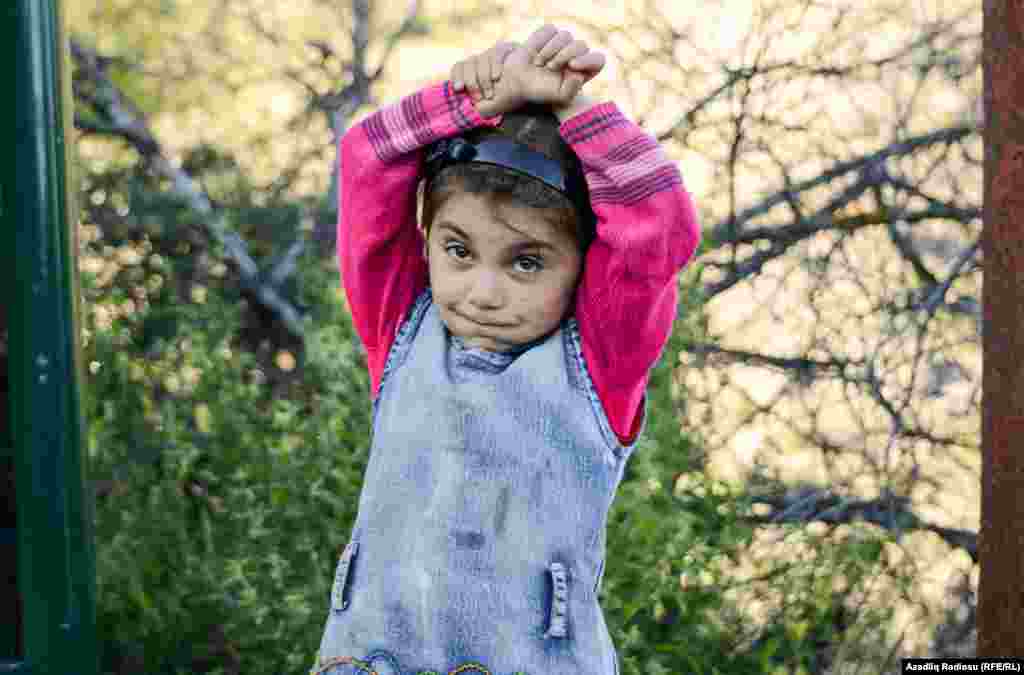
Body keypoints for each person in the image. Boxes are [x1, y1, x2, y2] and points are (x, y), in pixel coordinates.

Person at [312, 24, 701, 675]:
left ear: (582, 266)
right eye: (458, 250)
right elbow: (367, 156)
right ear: (428, 238)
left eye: (526, 262)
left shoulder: (598, 363)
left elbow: (659, 221)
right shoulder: (401, 327)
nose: (482, 292)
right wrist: (475, 101)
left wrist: (574, 110)